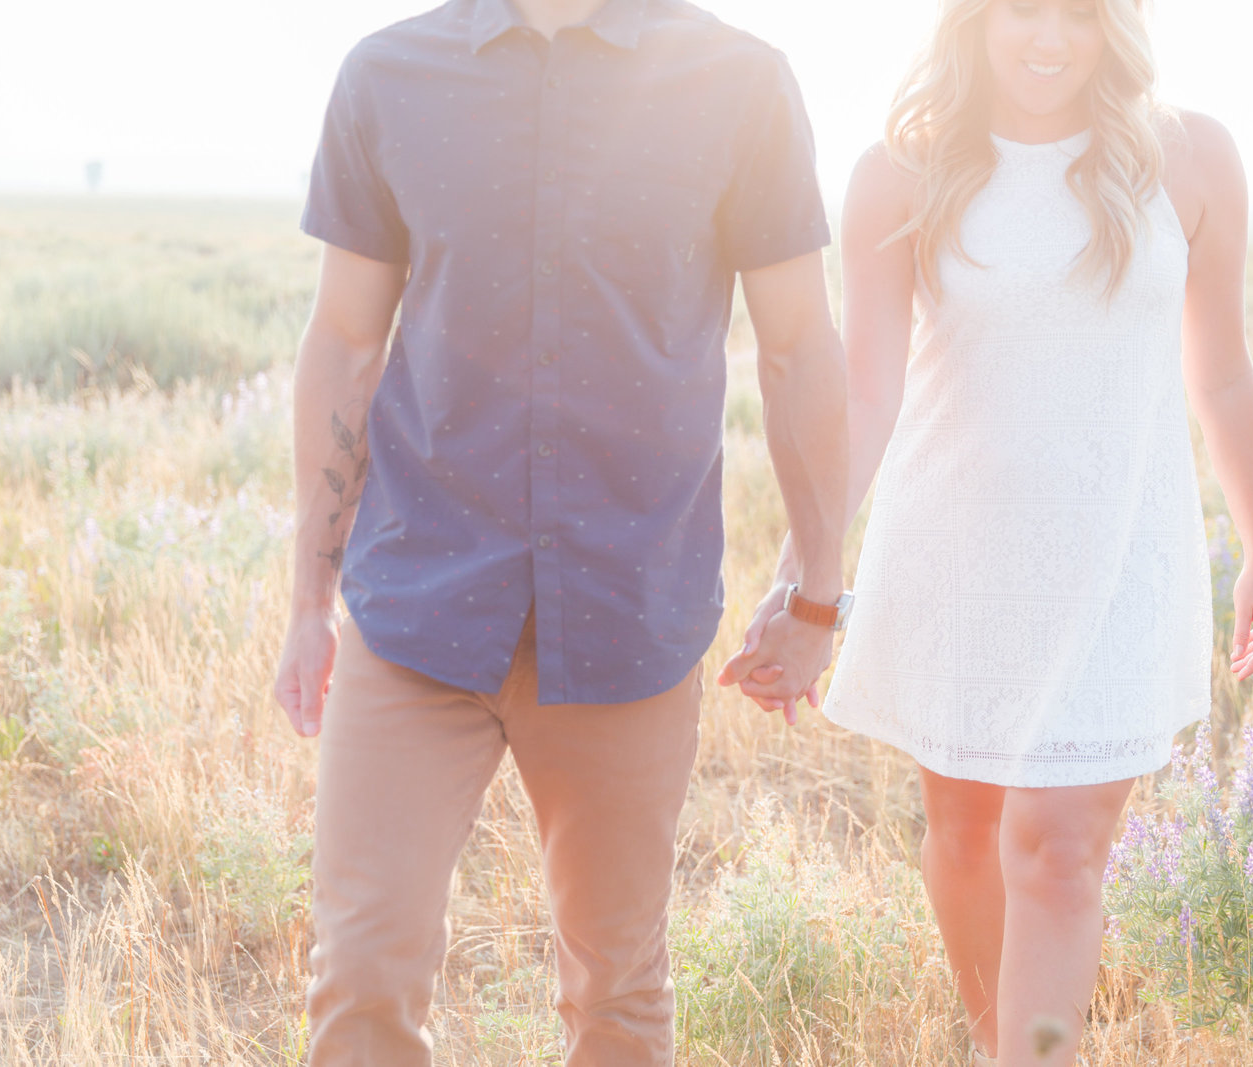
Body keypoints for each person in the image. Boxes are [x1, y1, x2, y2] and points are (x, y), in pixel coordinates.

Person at [270, 0, 850, 1062]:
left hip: (628, 612)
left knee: (616, 990)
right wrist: (308, 599)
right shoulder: (389, 76)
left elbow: (800, 347)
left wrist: (817, 595)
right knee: (360, 973)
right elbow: (346, 340)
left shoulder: (739, 83)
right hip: (416, 605)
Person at [722, 0, 1253, 1063]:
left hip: (1120, 554)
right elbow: (868, 394)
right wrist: (807, 578)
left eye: (1079, 14)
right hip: (958, 555)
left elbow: (1219, 371)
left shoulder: (1192, 157)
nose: (1048, 38)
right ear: (973, 20)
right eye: (1023, 9)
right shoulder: (902, 172)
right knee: (969, 834)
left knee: (1057, 846)